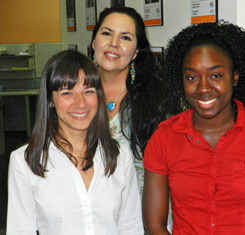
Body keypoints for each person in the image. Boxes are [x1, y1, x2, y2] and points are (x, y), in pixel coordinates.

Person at [143, 21, 245, 234]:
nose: (203, 88)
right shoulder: (165, 138)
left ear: (235, 77)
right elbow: (154, 225)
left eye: (216, 76)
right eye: (192, 77)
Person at [7, 50, 144, 235]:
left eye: (88, 91)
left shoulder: (120, 156)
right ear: (50, 100)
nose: (80, 103)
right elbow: (21, 230)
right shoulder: (25, 161)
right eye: (67, 93)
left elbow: (131, 227)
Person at [91, 7, 167, 195]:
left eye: (125, 37)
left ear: (135, 52)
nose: (114, 43)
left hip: (141, 210)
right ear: (94, 42)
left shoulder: (156, 99)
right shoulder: (73, 94)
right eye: (106, 33)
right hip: (88, 210)